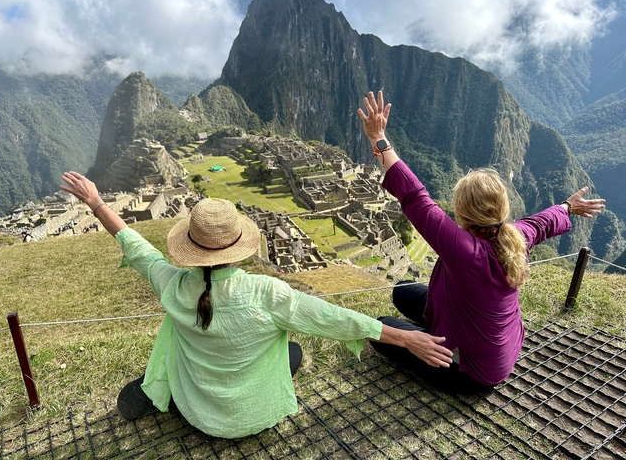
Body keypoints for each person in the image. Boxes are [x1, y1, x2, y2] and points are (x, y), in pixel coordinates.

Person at [60, 171, 454, 439]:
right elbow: (334, 318)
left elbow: (135, 244)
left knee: (181, 345)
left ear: (191, 250)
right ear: (238, 249)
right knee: (293, 352)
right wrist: (403, 338)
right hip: (256, 417)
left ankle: (163, 389)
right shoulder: (267, 293)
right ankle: (174, 390)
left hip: (200, 418)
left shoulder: (172, 284)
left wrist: (96, 202)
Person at [357, 91, 606, 394]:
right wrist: (569, 206)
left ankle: (433, 340)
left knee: (380, 327)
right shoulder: (515, 236)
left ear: (462, 213)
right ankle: (436, 331)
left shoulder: (465, 251)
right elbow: (545, 222)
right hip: (501, 351)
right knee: (402, 291)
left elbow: (416, 198)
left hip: (473, 371)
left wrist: (380, 139)